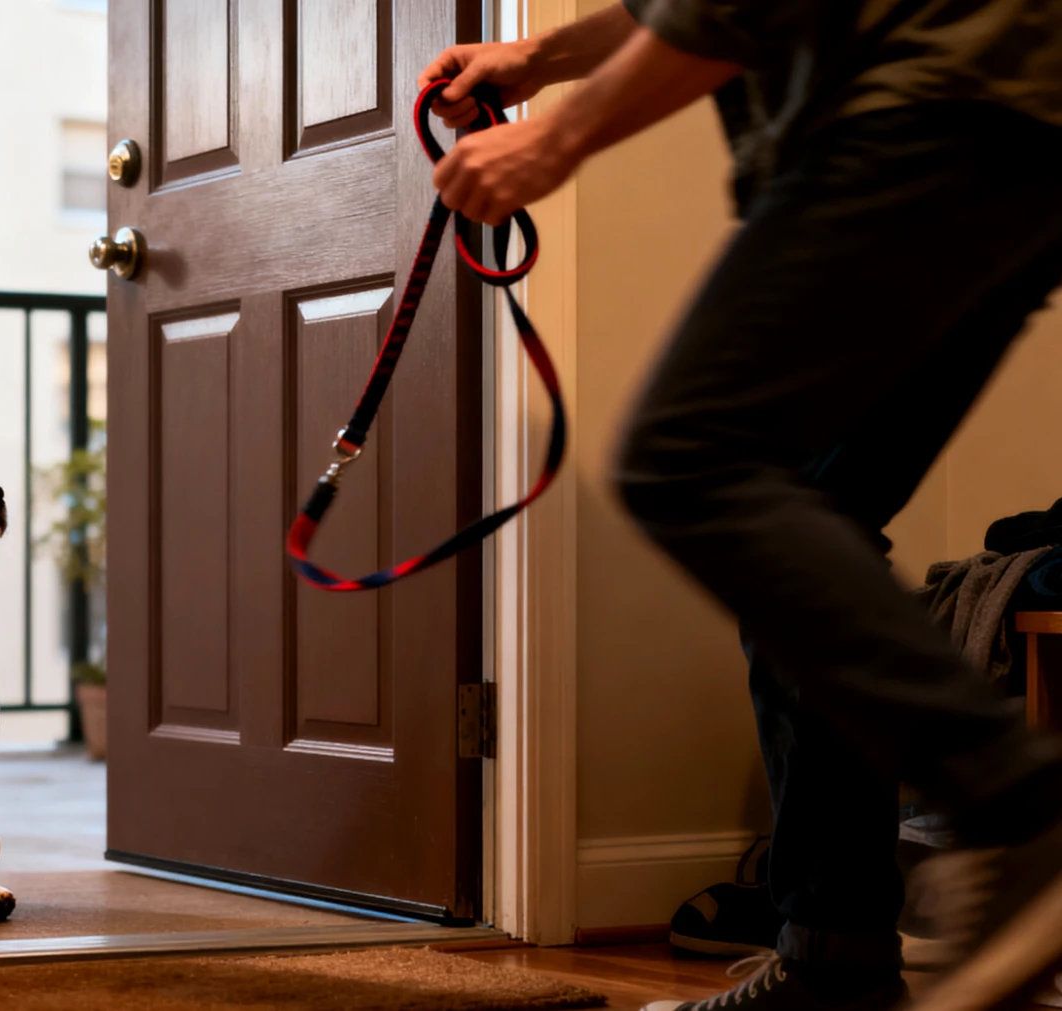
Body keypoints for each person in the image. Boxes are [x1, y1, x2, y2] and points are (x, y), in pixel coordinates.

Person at [418, 4, 1062, 1011]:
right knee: (805, 524)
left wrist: (557, 138)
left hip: (923, 113)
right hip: (1007, 126)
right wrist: (537, 57)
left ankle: (1013, 807)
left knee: (687, 460)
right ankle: (833, 962)